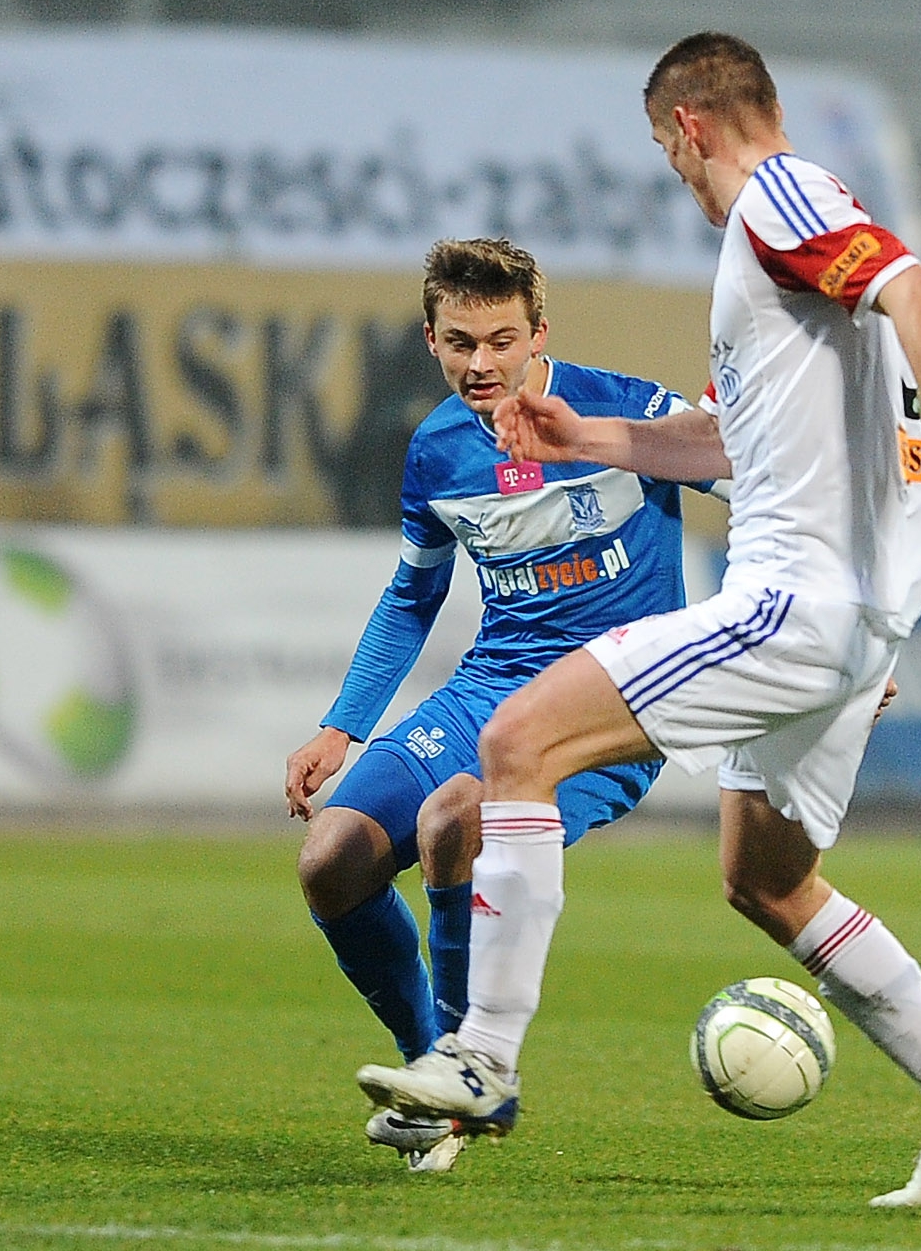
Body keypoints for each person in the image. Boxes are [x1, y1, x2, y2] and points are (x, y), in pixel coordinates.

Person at [355, 33, 921, 1209]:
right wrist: (594, 438)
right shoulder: (806, 238)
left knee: (517, 743)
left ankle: (481, 1056)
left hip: (794, 601)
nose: (674, 172)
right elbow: (735, 441)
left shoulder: (774, 205)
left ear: (688, 129)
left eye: (666, 150)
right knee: (765, 878)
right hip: (856, 615)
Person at [286, 236, 713, 1172]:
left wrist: (817, 625)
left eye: (501, 340)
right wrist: (342, 723)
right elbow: (412, 594)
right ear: (430, 339)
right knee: (331, 862)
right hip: (487, 689)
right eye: (459, 343)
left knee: (455, 818)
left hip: (612, 708)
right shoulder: (436, 449)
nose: (481, 364)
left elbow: (764, 483)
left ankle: (466, 1072)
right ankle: (429, 1075)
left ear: (538, 334)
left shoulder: (628, 411)